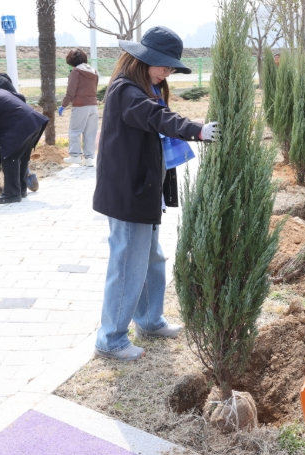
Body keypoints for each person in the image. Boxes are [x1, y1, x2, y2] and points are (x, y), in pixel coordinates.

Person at [93, 26, 219, 361]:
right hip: (128, 193)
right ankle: (111, 339)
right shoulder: (126, 90)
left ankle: (149, 320)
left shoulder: (144, 89)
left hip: (143, 191)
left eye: (171, 68)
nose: (168, 72)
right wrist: (197, 130)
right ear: (144, 59)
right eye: (164, 65)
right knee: (127, 265)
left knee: (150, 259)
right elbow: (157, 118)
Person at [60, 48, 99, 167]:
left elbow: (70, 92)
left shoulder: (76, 72)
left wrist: (63, 106)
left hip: (80, 105)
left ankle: (75, 156)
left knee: (75, 130)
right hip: (93, 106)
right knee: (90, 133)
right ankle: (89, 158)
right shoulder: (94, 71)